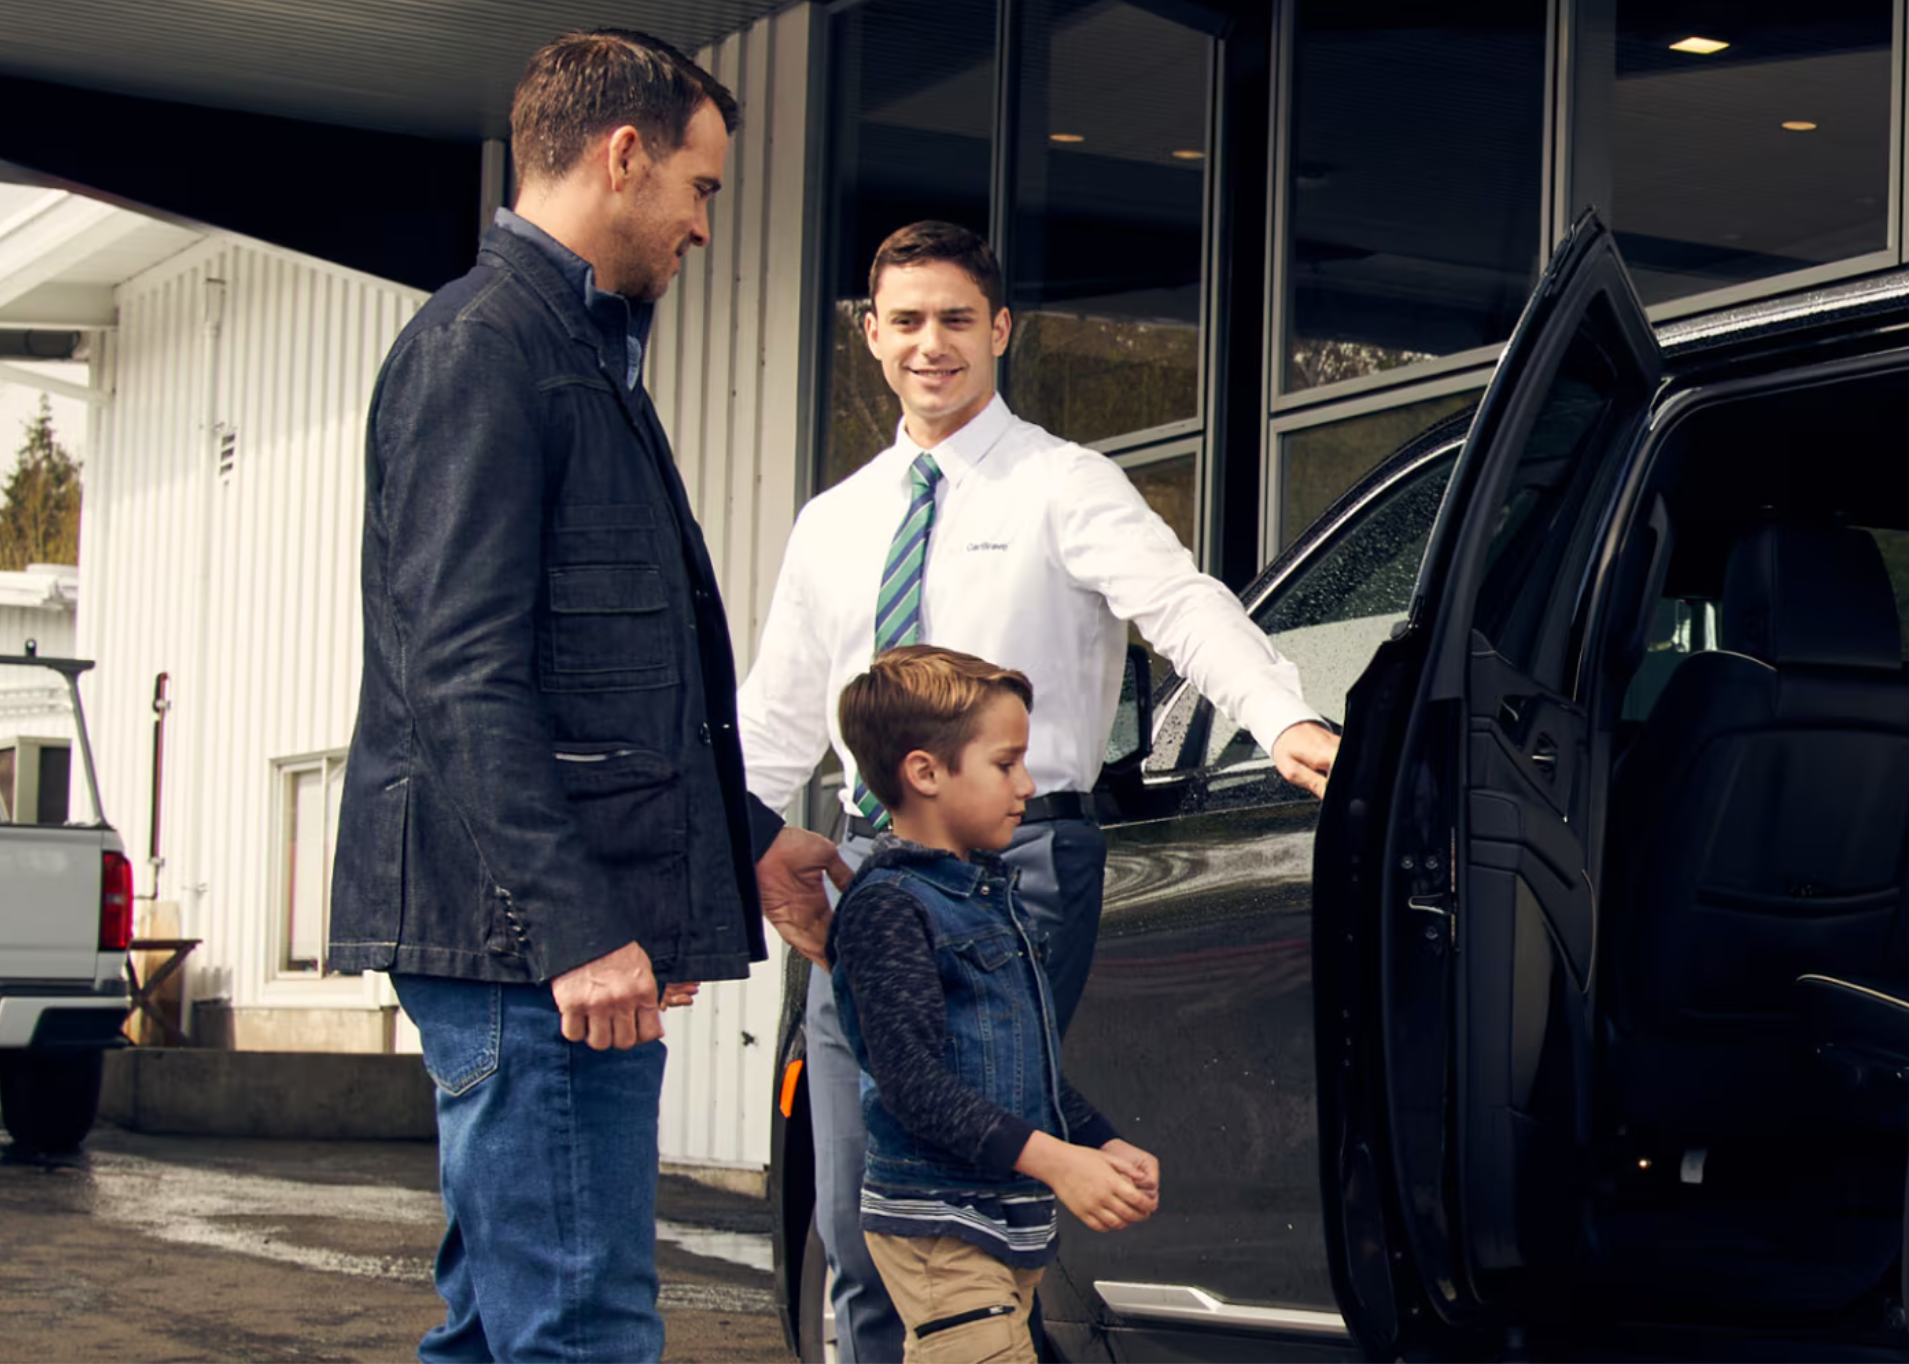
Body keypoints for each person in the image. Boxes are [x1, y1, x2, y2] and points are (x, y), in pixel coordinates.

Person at [737, 219, 1340, 1361]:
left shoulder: (1065, 485)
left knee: (968, 1199)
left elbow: (1181, 603)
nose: (932, 345)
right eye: (906, 321)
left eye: (957, 319)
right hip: (866, 867)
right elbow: (773, 718)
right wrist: (742, 854)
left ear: (1001, 330)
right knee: (855, 1214)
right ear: (870, 335)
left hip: (1015, 873)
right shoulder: (835, 522)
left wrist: (1282, 714)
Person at [326, 30, 841, 1363]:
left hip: (541, 944)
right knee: (580, 1329)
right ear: (623, 155)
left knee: (503, 1326)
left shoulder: (567, 348)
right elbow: (462, 669)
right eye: (702, 187)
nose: (703, 226)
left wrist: (745, 839)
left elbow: (594, 685)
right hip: (529, 955)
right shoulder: (488, 349)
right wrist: (570, 926)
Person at [830, 645, 1161, 1364]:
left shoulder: (986, 901)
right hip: (940, 1227)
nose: (1027, 784)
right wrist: (1056, 1163)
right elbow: (913, 1085)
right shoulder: (888, 908)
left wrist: (1098, 1139)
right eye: (1005, 764)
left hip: (998, 1221)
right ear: (925, 773)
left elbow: (1022, 1061)